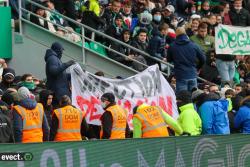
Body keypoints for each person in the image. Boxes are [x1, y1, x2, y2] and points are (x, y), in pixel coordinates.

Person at [167, 27, 206, 93]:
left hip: (180, 75)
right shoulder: (194, 45)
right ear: (185, 33)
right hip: (192, 74)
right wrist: (197, 68)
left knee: (182, 98)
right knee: (193, 97)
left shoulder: (172, 46)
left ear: (176, 34)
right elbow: (203, 59)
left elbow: (169, 59)